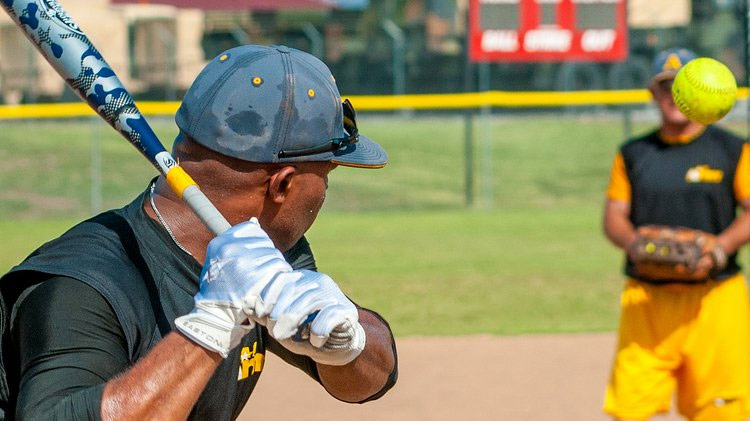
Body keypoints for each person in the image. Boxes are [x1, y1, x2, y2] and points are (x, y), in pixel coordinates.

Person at [0, 44, 397, 420]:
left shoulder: (265, 251)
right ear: (282, 184)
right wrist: (210, 327)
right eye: (327, 174)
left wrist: (348, 341)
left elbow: (372, 379)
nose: (326, 190)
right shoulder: (81, 286)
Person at [602, 47, 750, 420]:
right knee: (630, 411)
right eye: (664, 88)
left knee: (721, 413)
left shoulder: (732, 149)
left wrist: (720, 247)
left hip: (714, 299)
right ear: (653, 94)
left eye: (678, 87)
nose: (671, 97)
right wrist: (633, 242)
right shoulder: (634, 153)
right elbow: (614, 216)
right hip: (646, 299)